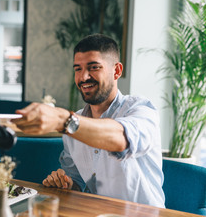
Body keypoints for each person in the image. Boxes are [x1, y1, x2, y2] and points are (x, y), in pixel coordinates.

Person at [12, 34, 165, 208]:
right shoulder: (74, 124)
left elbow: (121, 138)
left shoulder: (142, 110)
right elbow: (75, 181)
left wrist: (63, 120)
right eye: (78, 69)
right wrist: (66, 184)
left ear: (117, 71)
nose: (83, 77)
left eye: (94, 67)